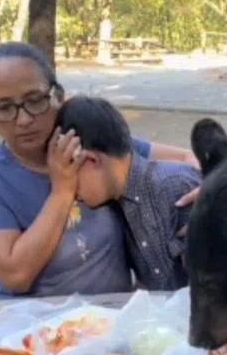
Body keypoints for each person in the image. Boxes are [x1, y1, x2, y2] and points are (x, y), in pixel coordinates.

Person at [0, 42, 201, 299]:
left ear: (59, 96)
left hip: (110, 319)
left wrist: (210, 189)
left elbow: (188, 157)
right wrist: (62, 191)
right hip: (29, 327)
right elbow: (15, 276)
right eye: (4, 108)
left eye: (35, 100)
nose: (24, 119)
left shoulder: (89, 143)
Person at [56, 96, 201, 291]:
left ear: (90, 160)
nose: (71, 192)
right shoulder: (120, 204)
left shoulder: (175, 187)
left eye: (69, 175)